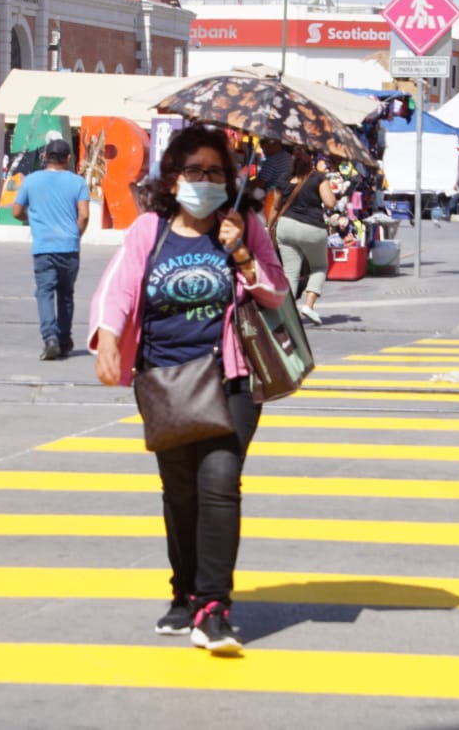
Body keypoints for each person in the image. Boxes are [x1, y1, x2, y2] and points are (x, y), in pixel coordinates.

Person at [89, 126, 286, 654]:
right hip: (163, 378)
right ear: (173, 178)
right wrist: (107, 338)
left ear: (231, 178)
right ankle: (185, 593)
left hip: (232, 377)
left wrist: (241, 251)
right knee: (179, 491)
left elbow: (275, 293)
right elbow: (119, 287)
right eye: (193, 171)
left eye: (215, 172)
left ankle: (213, 608)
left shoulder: (242, 224)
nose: (204, 181)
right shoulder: (149, 230)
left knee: (219, 480)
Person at [12, 138, 92, 359]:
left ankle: (50, 338)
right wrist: (75, 234)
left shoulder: (31, 181)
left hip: (43, 247)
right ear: (68, 158)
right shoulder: (78, 183)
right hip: (69, 247)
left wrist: (33, 219)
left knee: (44, 293)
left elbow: (16, 211)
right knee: (66, 295)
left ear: (45, 157)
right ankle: (64, 340)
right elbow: (84, 215)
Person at [272, 145, 337, 325]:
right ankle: (308, 306)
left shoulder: (283, 179)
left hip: (285, 227)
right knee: (319, 267)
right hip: (311, 229)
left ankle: (288, 315)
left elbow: (276, 207)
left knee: (290, 272)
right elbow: (330, 203)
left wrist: (269, 227)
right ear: (311, 159)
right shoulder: (318, 177)